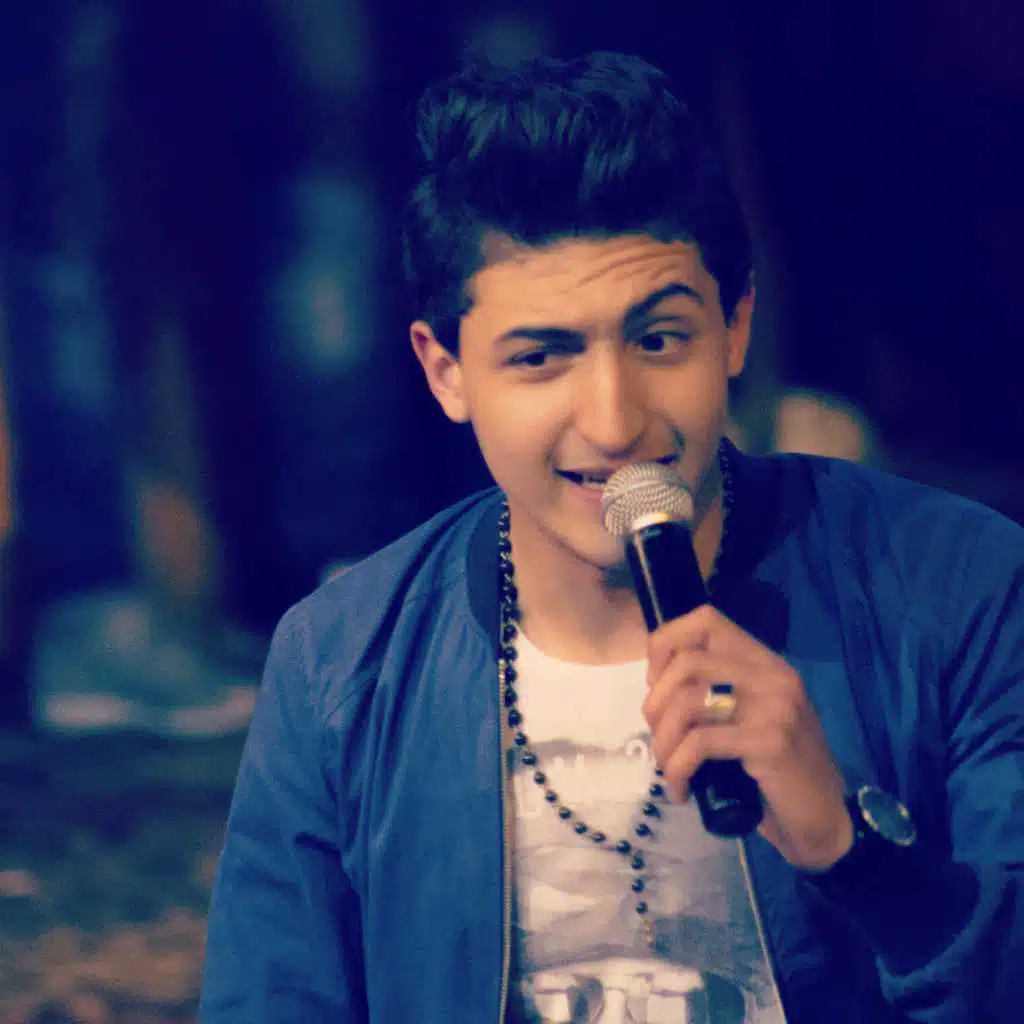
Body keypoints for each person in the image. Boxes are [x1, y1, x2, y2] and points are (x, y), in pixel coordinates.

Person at [199, 52, 1024, 1022]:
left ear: (735, 328)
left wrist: (852, 851)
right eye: (540, 358)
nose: (614, 420)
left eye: (658, 340)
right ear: (445, 371)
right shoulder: (340, 661)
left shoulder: (955, 587)